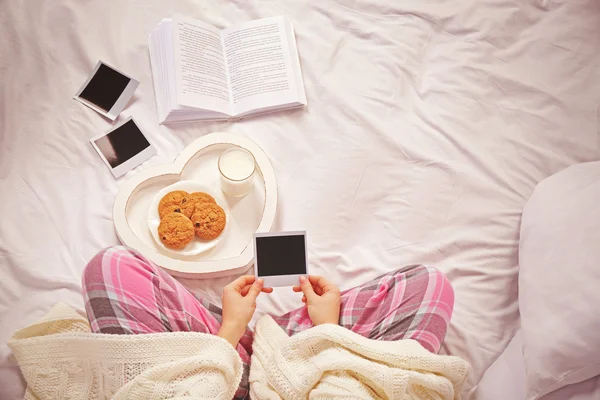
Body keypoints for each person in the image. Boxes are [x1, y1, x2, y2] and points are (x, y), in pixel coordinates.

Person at [81, 245, 457, 399]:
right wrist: (328, 331)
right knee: (428, 285)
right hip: (313, 368)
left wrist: (229, 330)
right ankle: (273, 337)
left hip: (215, 378)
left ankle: (247, 339)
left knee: (110, 268)